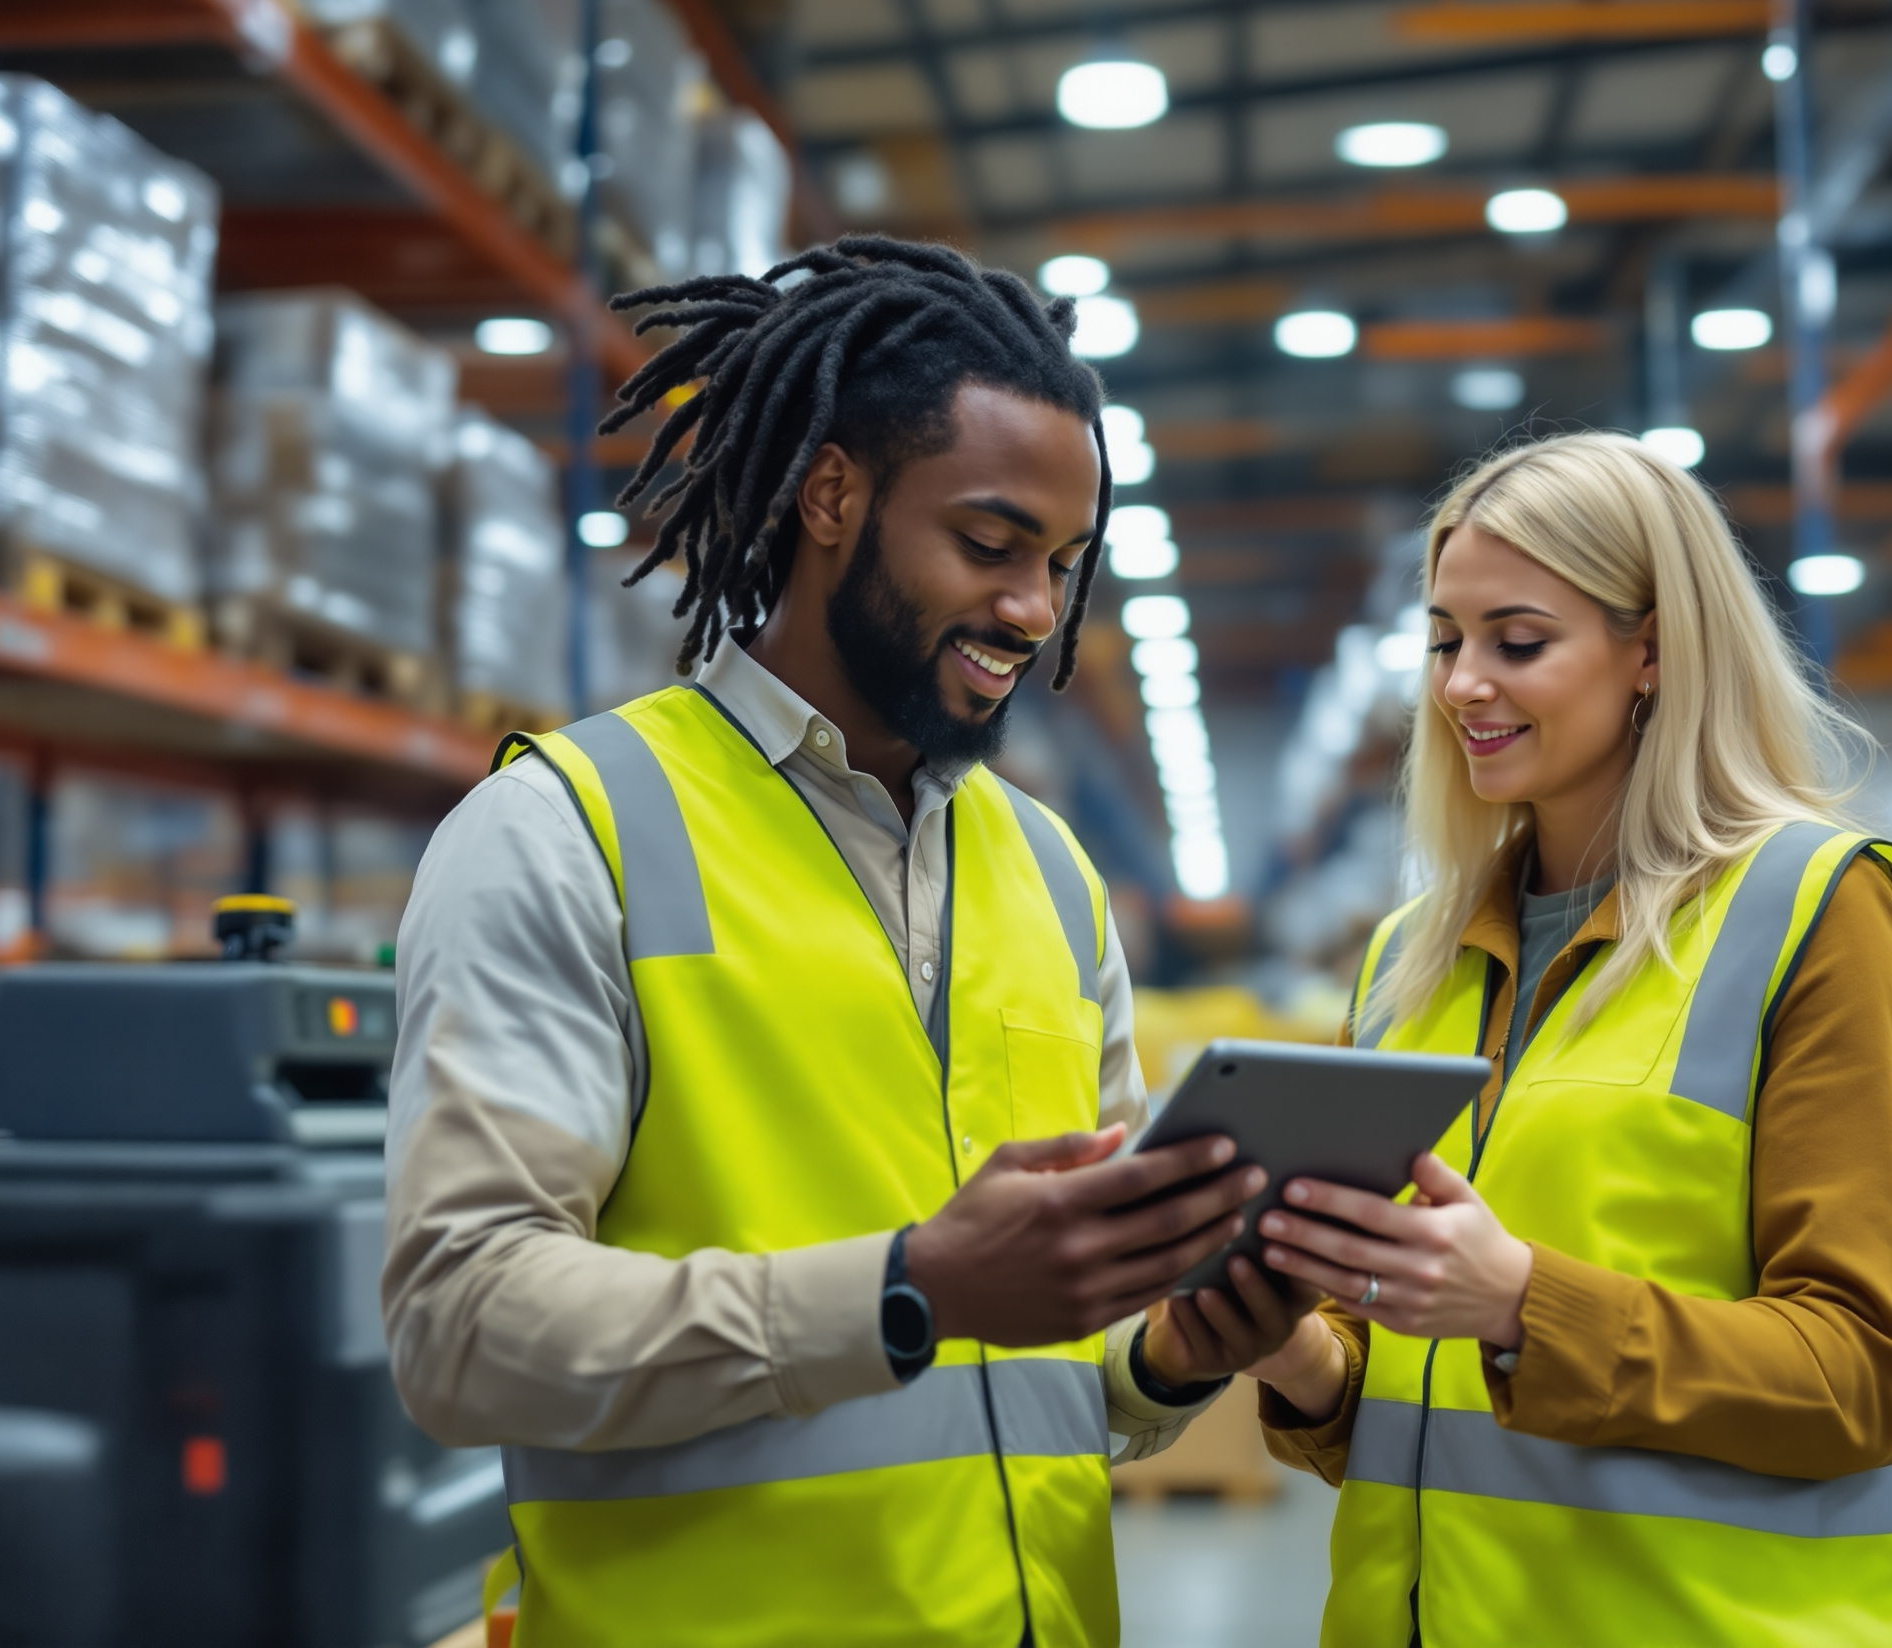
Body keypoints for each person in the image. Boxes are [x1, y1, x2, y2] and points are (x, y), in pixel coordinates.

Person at [381, 237, 1308, 1648]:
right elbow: (462, 1327)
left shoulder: (1050, 877)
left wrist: (1174, 1352)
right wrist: (903, 1289)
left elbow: (1059, 1370)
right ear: (832, 496)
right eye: (990, 546)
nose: (1034, 611)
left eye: (1063, 563)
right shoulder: (568, 834)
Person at [1241, 432, 1892, 1646]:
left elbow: (1865, 1372)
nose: (1464, 682)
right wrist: (1296, 1355)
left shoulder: (1814, 910)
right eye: (1445, 641)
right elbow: (1424, 1416)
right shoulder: (1404, 964)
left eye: (1517, 641)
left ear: (1652, 649)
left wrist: (1525, 1301)